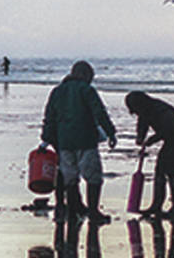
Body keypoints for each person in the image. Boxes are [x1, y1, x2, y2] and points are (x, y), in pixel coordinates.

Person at [39, 60, 117, 224]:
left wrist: (46, 139)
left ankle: (74, 210)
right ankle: (94, 211)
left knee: (70, 178)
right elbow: (99, 112)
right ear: (83, 75)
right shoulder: (87, 90)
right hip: (86, 140)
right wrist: (111, 132)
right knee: (93, 177)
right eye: (90, 77)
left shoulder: (57, 91)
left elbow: (49, 118)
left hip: (64, 143)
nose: (90, 80)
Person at [124, 91, 174, 218]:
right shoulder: (146, 110)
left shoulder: (160, 110)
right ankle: (157, 206)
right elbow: (142, 124)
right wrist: (140, 138)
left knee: (170, 172)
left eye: (134, 109)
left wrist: (151, 140)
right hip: (172, 140)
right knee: (160, 171)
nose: (134, 113)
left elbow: (168, 129)